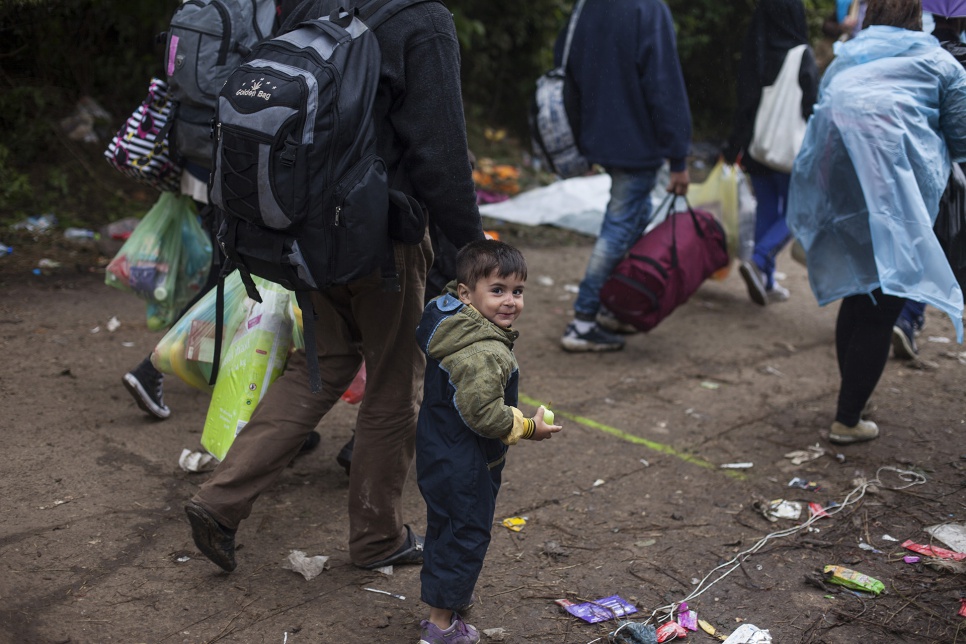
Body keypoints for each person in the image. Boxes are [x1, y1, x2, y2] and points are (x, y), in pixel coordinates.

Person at [183, 0, 485, 573]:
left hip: (307, 234)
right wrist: (470, 250)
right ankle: (378, 539)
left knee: (316, 364)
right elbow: (440, 151)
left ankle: (219, 500)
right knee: (394, 384)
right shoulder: (422, 19)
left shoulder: (311, 2)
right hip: (383, 238)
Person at [787, 0, 966, 444]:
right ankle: (848, 418)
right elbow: (962, 139)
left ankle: (855, 400)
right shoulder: (941, 66)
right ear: (916, 20)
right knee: (882, 305)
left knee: (858, 292)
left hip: (845, 200)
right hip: (901, 202)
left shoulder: (846, 60)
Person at [415, 239, 561, 643]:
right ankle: (441, 626)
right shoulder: (484, 352)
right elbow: (484, 415)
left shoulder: (446, 317)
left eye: (517, 291)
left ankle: (444, 600)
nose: (510, 301)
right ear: (466, 293)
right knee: (466, 533)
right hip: (466, 460)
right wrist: (530, 427)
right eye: (497, 291)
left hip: (436, 448)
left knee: (444, 526)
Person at [556, 0, 692, 352]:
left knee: (634, 217)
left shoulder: (589, 5)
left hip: (599, 134)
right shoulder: (648, 8)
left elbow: (565, 61)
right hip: (636, 140)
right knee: (620, 225)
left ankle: (609, 304)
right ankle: (584, 320)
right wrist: (678, 155)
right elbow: (663, 82)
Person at [724, 0, 819, 307]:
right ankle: (760, 258)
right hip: (789, 153)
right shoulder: (801, 54)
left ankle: (765, 280)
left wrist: (731, 148)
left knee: (767, 208)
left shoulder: (756, 54)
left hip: (757, 148)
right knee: (797, 212)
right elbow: (812, 109)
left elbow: (744, 106)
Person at [892, 12, 966, 360]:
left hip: (912, 160)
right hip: (951, 169)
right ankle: (908, 315)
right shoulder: (959, 59)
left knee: (915, 238)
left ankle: (902, 314)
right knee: (939, 243)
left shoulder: (917, 52)